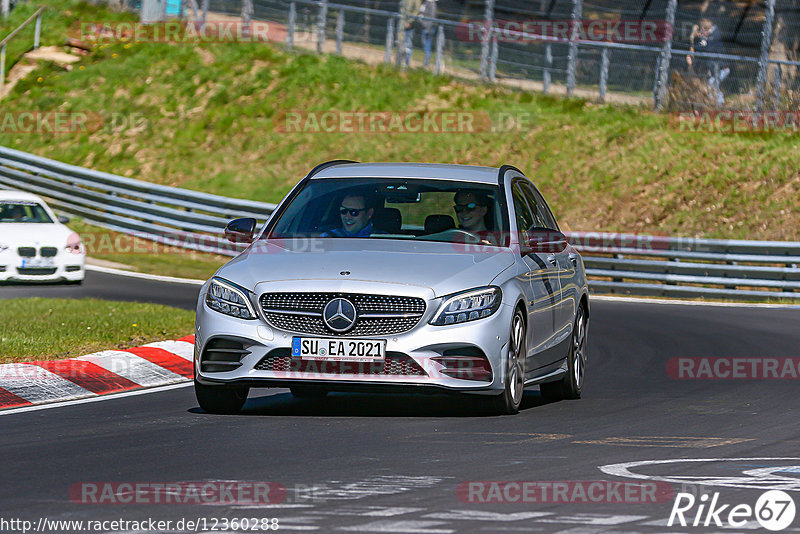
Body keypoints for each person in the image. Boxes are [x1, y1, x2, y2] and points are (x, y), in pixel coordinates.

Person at [686, 18, 730, 106]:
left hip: (723, 69)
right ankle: (716, 103)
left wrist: (696, 41)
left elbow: (705, 47)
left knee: (712, 84)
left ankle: (718, 103)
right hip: (715, 69)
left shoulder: (714, 36)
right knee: (712, 83)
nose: (701, 32)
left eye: (701, 29)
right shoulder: (708, 37)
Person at [418, 0, 437, 68]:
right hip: (425, 26)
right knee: (425, 44)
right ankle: (426, 63)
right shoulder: (426, 3)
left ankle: (426, 64)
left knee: (427, 45)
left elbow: (432, 17)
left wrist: (428, 29)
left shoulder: (432, 4)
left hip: (428, 27)